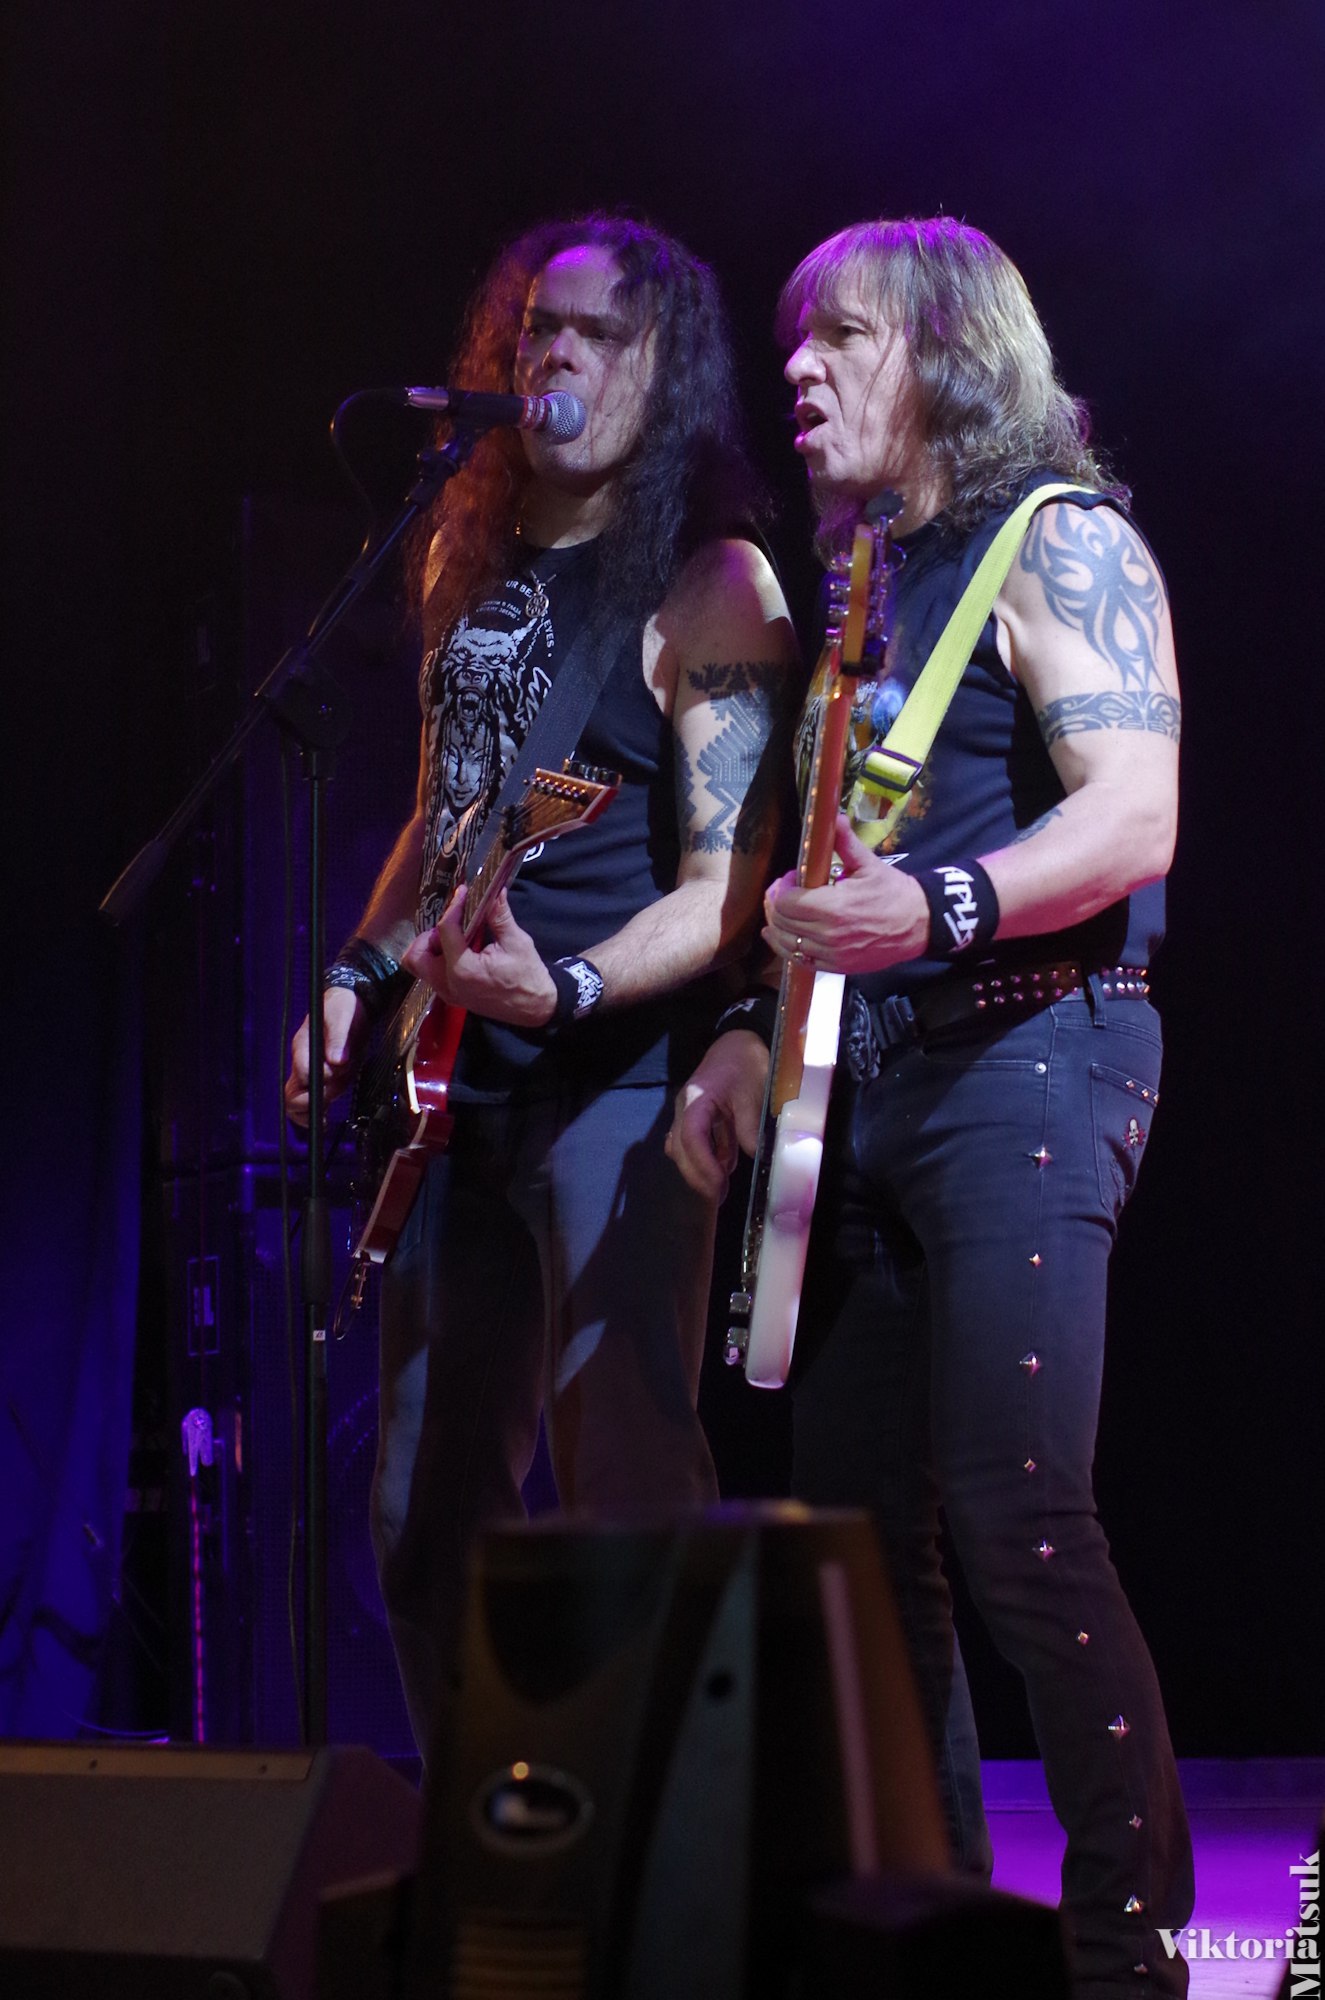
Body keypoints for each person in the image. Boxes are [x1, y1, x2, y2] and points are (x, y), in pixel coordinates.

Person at [667, 217, 1193, 1997]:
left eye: (843, 336)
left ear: (952, 354)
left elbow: (1133, 813)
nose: (796, 369)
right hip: (864, 1078)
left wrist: (943, 907)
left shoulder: (1060, 539)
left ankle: (1124, 1956)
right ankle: (942, 1949)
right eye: (792, 339)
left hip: (1032, 1049)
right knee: (860, 1546)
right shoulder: (862, 590)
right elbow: (842, 870)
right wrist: (751, 1034)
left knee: (1015, 1510)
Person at [285, 213, 798, 1756]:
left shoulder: (713, 583)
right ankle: (500, 1836)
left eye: (593, 334)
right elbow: (443, 816)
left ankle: (678, 1838)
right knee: (419, 1509)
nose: (553, 355)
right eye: (535, 331)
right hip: (453, 1089)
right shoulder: (466, 554)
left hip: (616, 1086)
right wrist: (357, 969)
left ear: (662, 365)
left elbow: (724, 888)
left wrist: (562, 989)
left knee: (625, 1479)